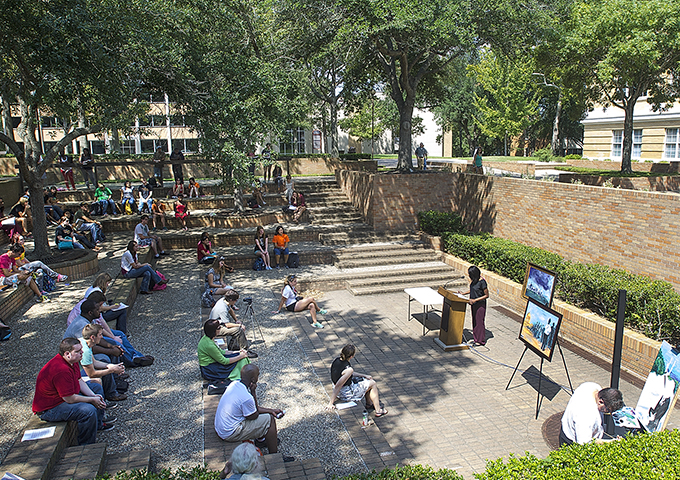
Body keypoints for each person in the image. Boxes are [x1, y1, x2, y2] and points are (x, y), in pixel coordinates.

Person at [32, 338, 113, 444]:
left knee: (96, 388)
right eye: (78, 351)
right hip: (51, 408)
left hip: (64, 397)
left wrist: (94, 396)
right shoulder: (61, 370)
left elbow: (79, 380)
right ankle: (86, 445)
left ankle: (98, 424)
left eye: (81, 350)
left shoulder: (72, 361)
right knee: (88, 411)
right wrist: (91, 400)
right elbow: (70, 398)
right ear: (67, 353)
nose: (82, 352)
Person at [65, 293, 154, 367]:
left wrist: (111, 345)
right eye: (97, 309)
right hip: (77, 353)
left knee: (117, 338)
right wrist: (111, 349)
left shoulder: (88, 318)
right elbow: (90, 347)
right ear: (90, 313)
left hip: (88, 346)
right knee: (113, 347)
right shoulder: (82, 326)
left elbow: (99, 336)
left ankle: (134, 356)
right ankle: (132, 362)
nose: (100, 311)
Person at [214, 364, 286, 456]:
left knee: (266, 416)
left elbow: (252, 410)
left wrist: (271, 410)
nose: (259, 376)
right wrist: (253, 392)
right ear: (253, 379)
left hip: (222, 427)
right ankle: (274, 456)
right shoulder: (247, 397)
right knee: (270, 420)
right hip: (230, 433)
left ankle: (261, 440)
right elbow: (254, 415)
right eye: (258, 375)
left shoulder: (234, 384)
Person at [328, 344, 388, 416]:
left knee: (365, 381)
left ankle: (369, 404)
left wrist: (364, 375)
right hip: (346, 393)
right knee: (373, 383)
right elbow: (338, 385)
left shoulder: (336, 360)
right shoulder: (349, 369)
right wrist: (330, 403)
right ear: (351, 356)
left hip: (340, 389)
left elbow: (346, 374)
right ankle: (378, 410)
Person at [559, 382, 624, 446]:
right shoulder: (587, 416)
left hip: (567, 428)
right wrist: (610, 442)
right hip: (572, 441)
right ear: (601, 402)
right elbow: (584, 443)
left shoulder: (592, 386)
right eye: (608, 410)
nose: (608, 413)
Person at [80, 324, 128, 402]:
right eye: (100, 335)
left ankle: (111, 391)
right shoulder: (85, 351)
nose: (102, 337)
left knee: (105, 364)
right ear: (92, 337)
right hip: (78, 376)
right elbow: (91, 374)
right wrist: (112, 370)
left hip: (82, 371)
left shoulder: (85, 343)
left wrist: (111, 366)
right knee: (97, 380)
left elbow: (94, 362)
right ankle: (103, 401)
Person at [458, 265, 489, 346]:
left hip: (480, 305)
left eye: (470, 274)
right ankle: (476, 339)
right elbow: (473, 289)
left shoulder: (482, 282)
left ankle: (480, 340)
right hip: (473, 304)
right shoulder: (474, 281)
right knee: (474, 321)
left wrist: (475, 300)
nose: (469, 275)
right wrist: (463, 293)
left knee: (479, 322)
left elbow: (486, 295)